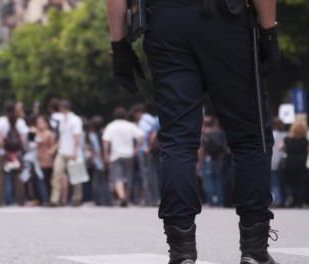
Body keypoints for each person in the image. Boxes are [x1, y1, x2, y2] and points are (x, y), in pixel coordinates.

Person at [107, 0, 281, 263]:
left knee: (177, 139)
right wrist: (269, 30)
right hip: (225, 20)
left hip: (165, 22)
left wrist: (119, 44)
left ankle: (182, 252)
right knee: (250, 137)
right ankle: (254, 249)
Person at [102, 107, 144, 207]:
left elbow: (106, 140)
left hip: (116, 155)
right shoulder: (130, 125)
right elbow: (141, 136)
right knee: (128, 177)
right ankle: (126, 197)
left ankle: (121, 197)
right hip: (129, 154)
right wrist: (136, 148)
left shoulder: (111, 126)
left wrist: (105, 153)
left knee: (117, 177)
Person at [0, 102, 29, 206]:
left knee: (1, 176)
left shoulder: (1, 121)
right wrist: (16, 151)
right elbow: (23, 139)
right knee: (18, 176)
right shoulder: (20, 121)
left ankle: (0, 200)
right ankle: (21, 200)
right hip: (16, 153)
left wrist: (6, 149)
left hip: (3, 153)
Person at [50, 100, 83, 206]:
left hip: (73, 151)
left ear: (62, 108)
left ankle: (77, 198)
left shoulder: (75, 120)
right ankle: (55, 199)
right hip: (62, 151)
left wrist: (75, 151)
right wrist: (55, 147)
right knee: (57, 174)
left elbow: (77, 137)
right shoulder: (63, 120)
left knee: (76, 175)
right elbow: (62, 136)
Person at [131, 103, 158, 206]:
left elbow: (142, 136)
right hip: (153, 151)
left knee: (146, 176)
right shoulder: (152, 119)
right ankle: (155, 198)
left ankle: (149, 200)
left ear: (138, 113)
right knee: (153, 175)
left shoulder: (143, 121)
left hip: (145, 151)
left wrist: (139, 148)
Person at [281, 122, 309, 208]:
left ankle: (290, 200)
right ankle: (299, 202)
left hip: (290, 162)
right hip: (302, 162)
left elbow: (280, 148)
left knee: (289, 183)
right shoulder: (306, 141)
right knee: (300, 184)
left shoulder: (287, 139)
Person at [199, 116, 225, 207]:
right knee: (218, 182)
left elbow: (201, 149)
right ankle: (219, 202)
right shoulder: (220, 133)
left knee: (209, 182)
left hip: (207, 160)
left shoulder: (205, 134)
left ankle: (210, 201)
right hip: (217, 160)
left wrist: (199, 163)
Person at [36, 115, 56, 198]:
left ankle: (47, 198)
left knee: (46, 179)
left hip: (47, 160)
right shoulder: (35, 133)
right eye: (38, 123)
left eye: (41, 123)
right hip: (37, 159)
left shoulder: (49, 134)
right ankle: (42, 198)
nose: (39, 125)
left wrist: (51, 151)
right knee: (40, 180)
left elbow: (53, 146)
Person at [271, 118, 287, 207]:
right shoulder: (286, 135)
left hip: (273, 161)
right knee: (283, 182)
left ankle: (278, 200)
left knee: (275, 183)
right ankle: (284, 199)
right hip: (284, 161)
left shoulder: (271, 135)